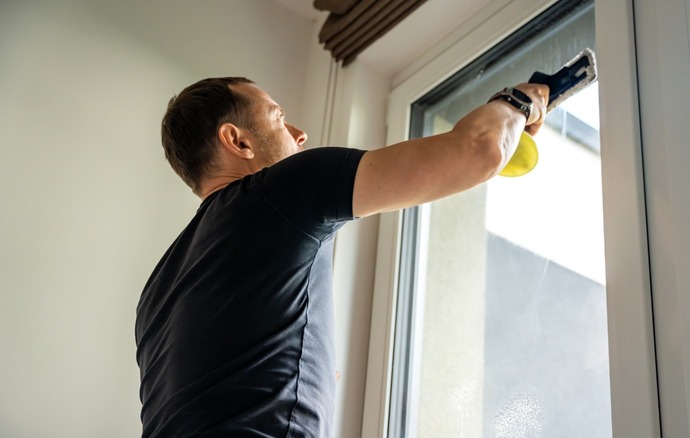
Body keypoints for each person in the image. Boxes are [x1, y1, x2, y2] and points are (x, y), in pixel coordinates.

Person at [135, 76, 548, 437]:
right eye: (278, 117)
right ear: (238, 141)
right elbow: (478, 151)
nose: (299, 134)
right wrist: (517, 101)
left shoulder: (157, 291)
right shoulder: (279, 190)